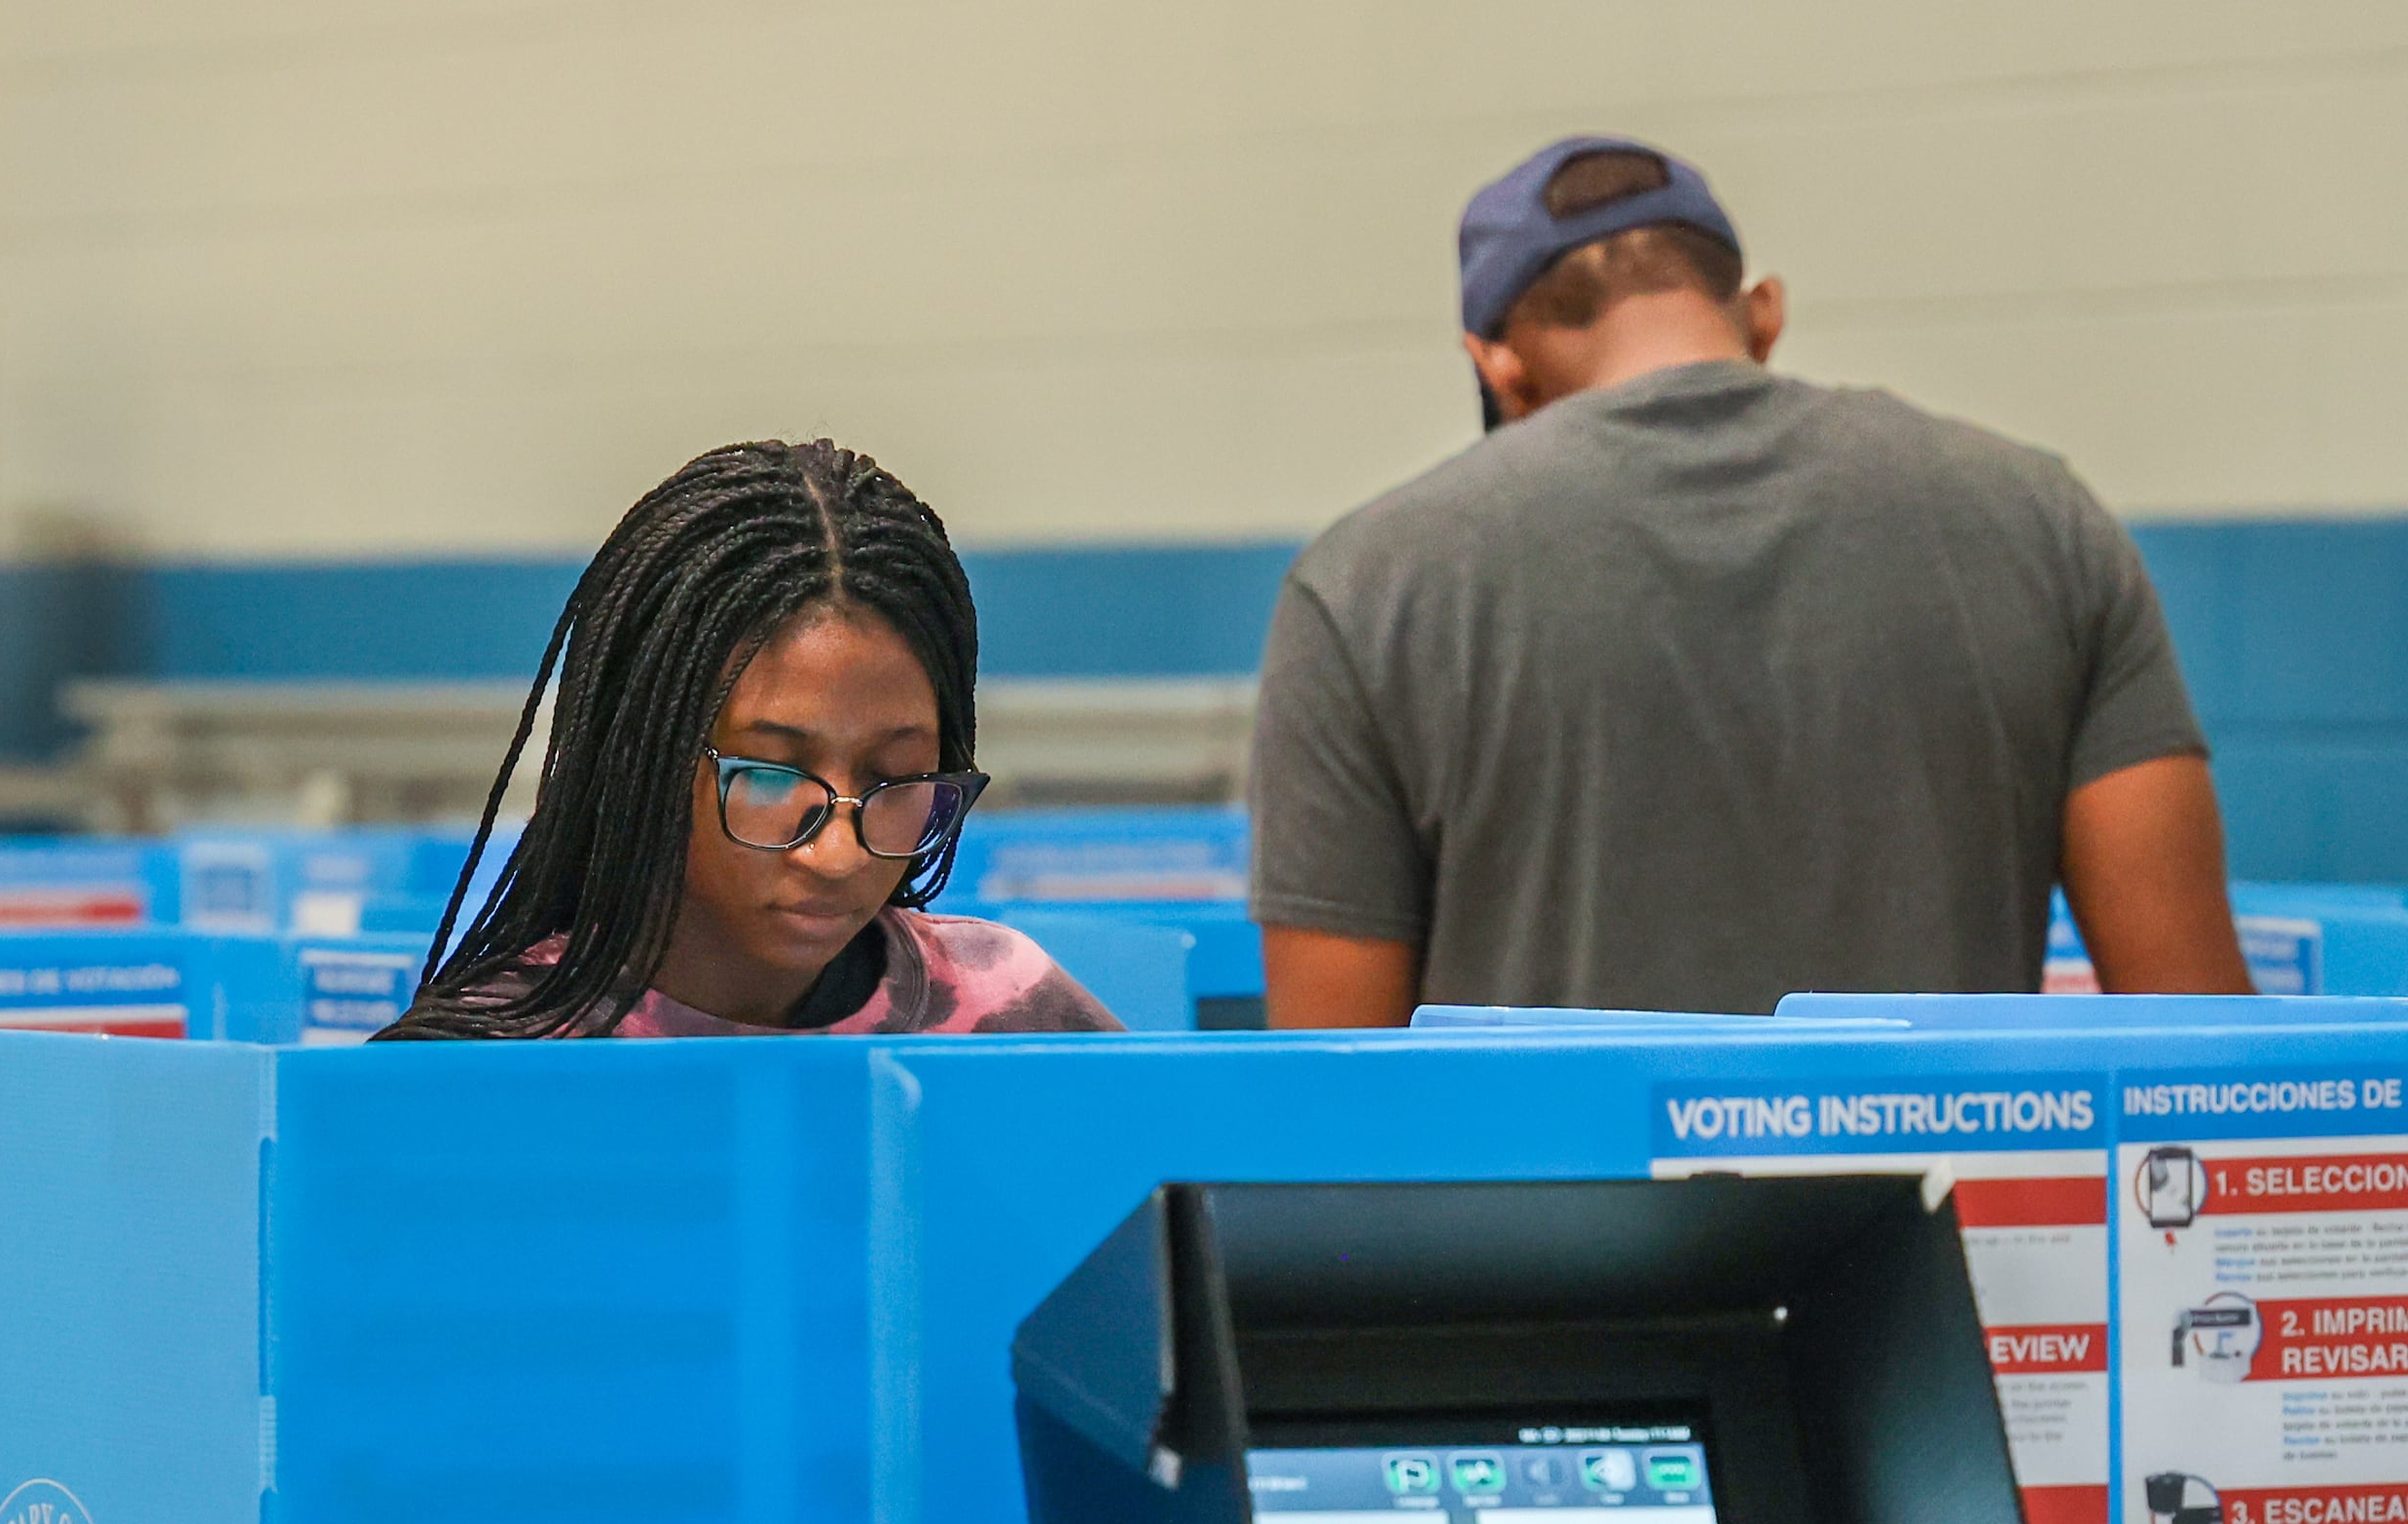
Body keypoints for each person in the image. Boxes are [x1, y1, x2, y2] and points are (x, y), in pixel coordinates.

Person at [1251, 135, 2250, 1025]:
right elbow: (2198, 1026)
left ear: (1496, 365)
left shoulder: (1362, 587)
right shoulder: (2045, 521)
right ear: (1762, 311)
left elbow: (1338, 1107)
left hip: (1543, 1238)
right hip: (1960, 1235)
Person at [381, 440, 1120, 1039]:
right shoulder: (496, 1068)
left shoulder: (1015, 1015)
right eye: (770, 774)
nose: (839, 855)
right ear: (644, 762)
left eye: (898, 776)